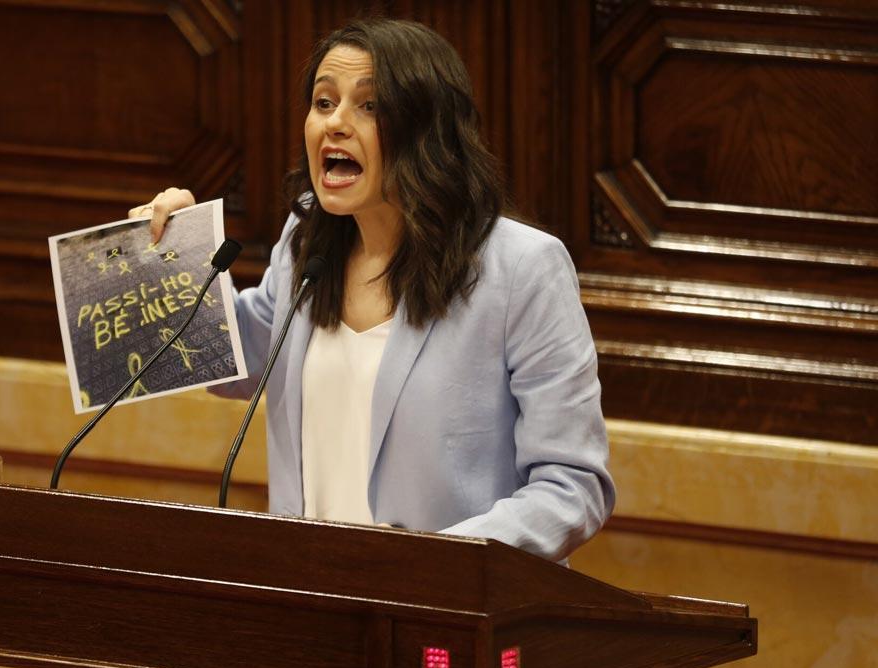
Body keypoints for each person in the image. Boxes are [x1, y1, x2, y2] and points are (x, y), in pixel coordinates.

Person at [130, 18, 613, 562]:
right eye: (323, 102)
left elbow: (573, 487)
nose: (334, 124)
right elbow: (235, 358)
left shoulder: (521, 269)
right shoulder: (308, 238)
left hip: (441, 617)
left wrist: (430, 564)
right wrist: (172, 259)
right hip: (312, 608)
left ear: (427, 130)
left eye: (369, 106)